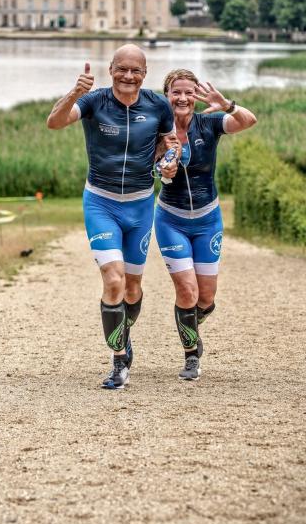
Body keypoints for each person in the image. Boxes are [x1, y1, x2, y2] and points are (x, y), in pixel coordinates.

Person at [46, 44, 176, 389]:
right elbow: (54, 122)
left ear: (145, 74)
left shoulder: (158, 105)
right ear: (111, 69)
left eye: (135, 70)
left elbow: (170, 143)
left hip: (140, 205)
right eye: (122, 69)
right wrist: (75, 92)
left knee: (132, 288)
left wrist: (170, 161)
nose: (128, 76)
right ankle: (119, 361)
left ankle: (123, 332)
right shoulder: (94, 101)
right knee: (114, 280)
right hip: (101, 203)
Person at [154, 68, 257, 381]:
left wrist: (227, 105)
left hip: (207, 220)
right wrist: (162, 170)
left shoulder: (209, 123)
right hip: (171, 219)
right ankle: (190, 354)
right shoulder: (156, 129)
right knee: (187, 291)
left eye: (189, 92)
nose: (183, 98)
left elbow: (249, 121)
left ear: (196, 97)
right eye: (176, 92)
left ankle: (187, 321)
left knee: (206, 299)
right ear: (167, 96)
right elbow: (151, 166)